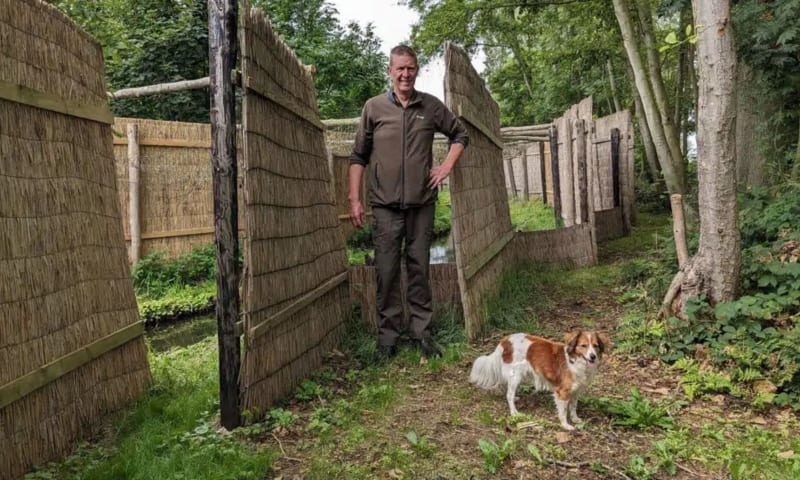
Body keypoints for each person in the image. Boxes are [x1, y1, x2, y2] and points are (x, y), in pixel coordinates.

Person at [348, 45, 469, 359]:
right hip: (385, 207)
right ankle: (387, 339)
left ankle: (421, 333)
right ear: (389, 71)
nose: (405, 74)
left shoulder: (430, 106)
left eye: (410, 68)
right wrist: (355, 200)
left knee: (419, 269)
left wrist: (446, 167)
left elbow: (460, 135)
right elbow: (358, 156)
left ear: (416, 70)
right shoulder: (373, 108)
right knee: (386, 272)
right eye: (399, 68)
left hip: (422, 205)